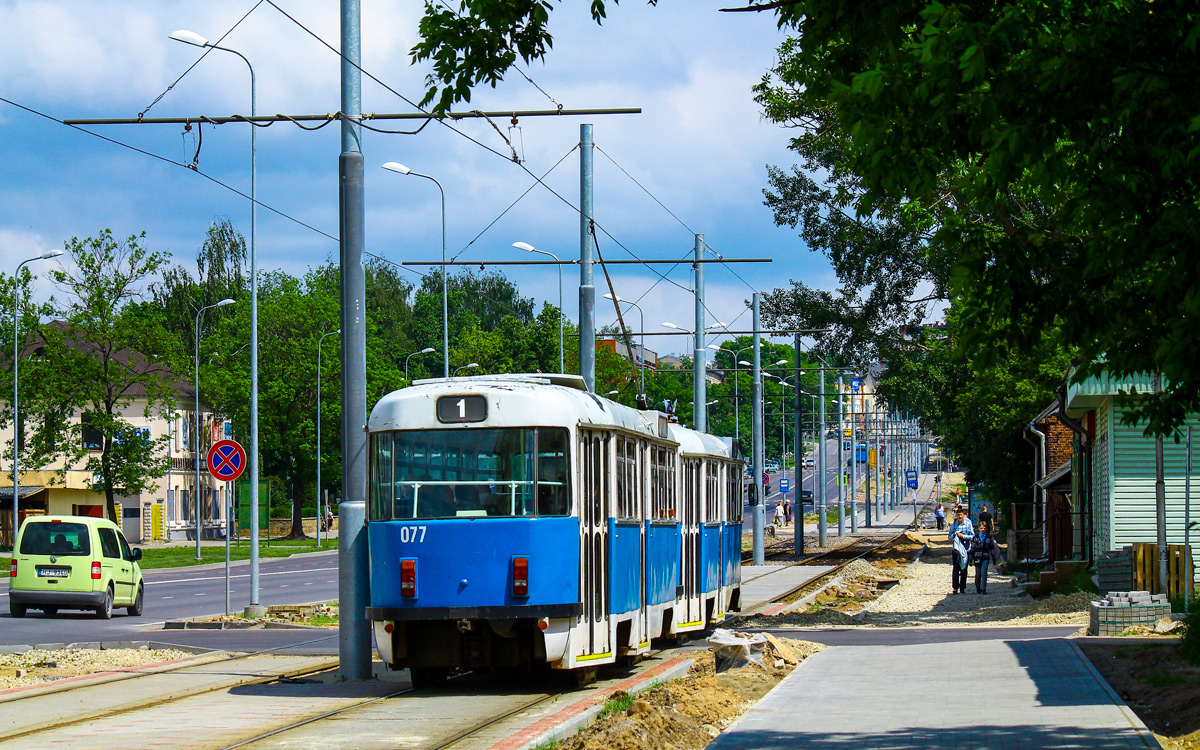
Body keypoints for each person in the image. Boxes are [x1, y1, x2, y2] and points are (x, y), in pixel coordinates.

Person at [948, 508, 974, 594]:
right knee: (956, 567)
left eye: (961, 515)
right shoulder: (954, 525)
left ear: (964, 515)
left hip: (966, 548)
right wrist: (955, 535)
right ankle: (955, 587)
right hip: (956, 549)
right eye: (958, 515)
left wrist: (963, 536)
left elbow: (972, 536)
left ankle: (962, 588)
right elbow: (949, 537)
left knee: (964, 569)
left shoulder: (968, 524)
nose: (960, 517)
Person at [969, 521, 997, 594]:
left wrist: (994, 559)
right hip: (977, 557)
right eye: (981, 528)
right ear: (978, 528)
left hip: (985, 557)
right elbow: (972, 549)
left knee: (984, 572)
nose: (983, 529)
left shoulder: (989, 537)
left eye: (984, 528)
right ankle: (978, 587)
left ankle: (983, 588)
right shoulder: (975, 538)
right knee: (978, 574)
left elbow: (992, 548)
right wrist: (970, 559)